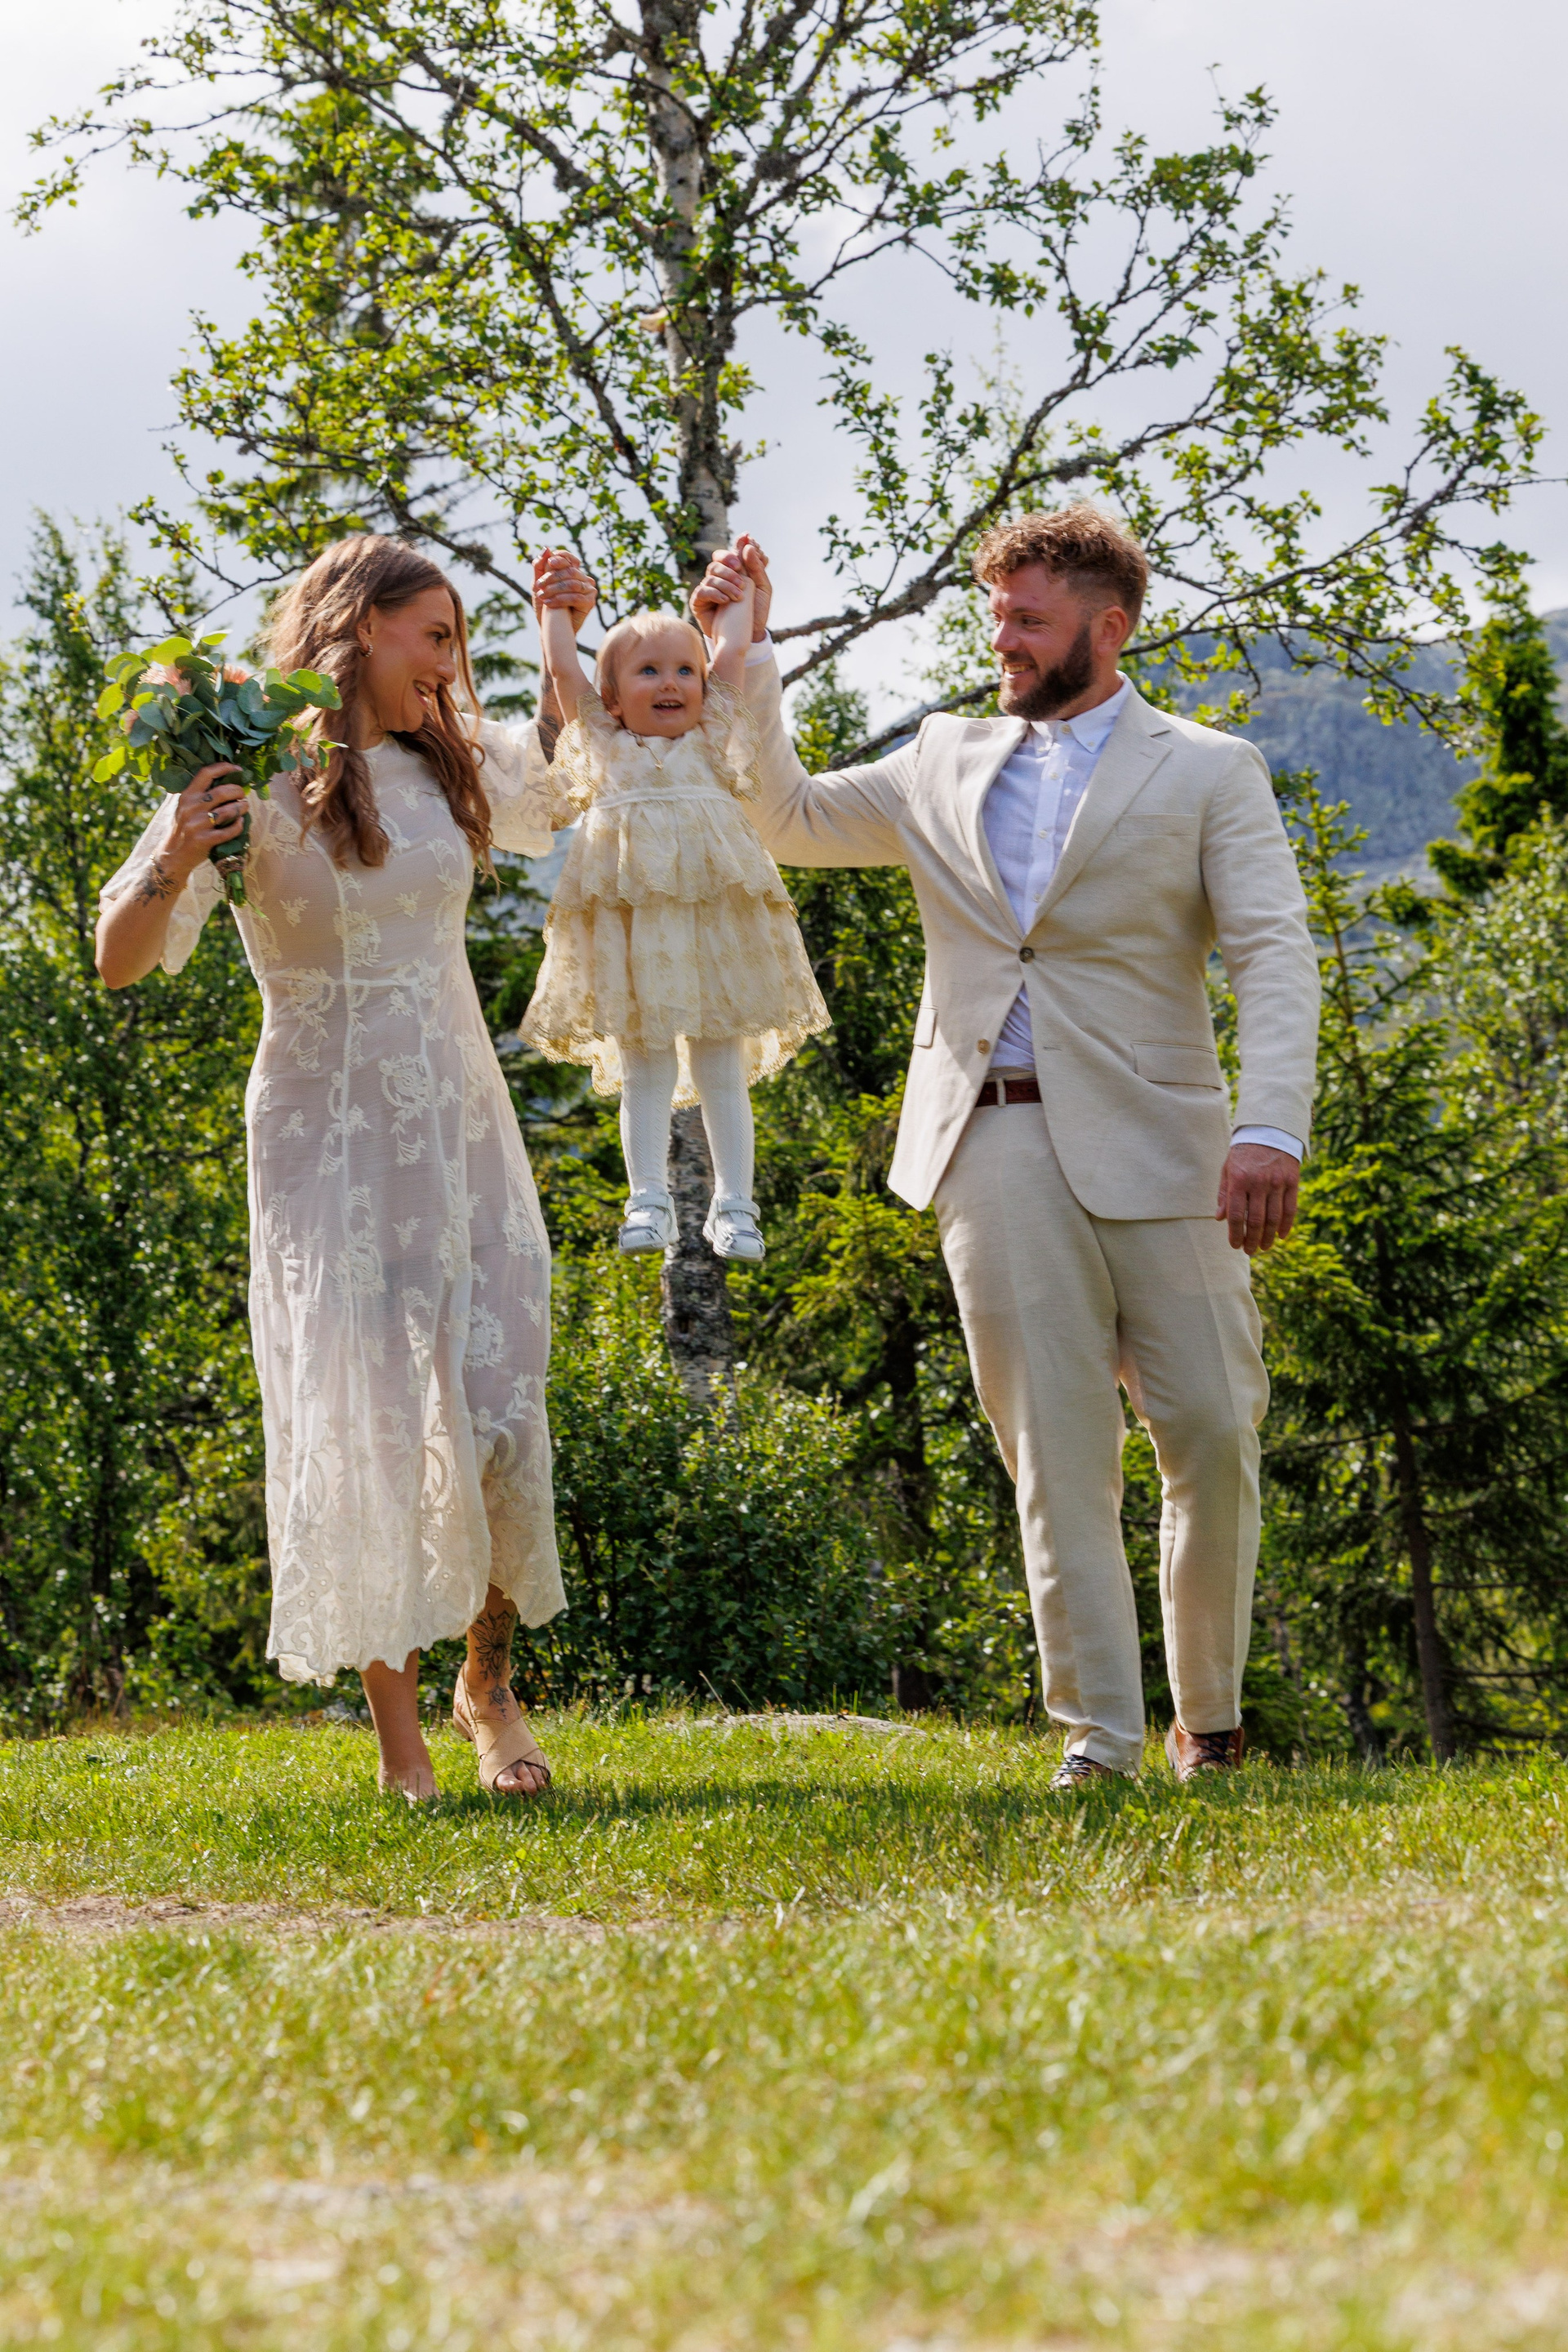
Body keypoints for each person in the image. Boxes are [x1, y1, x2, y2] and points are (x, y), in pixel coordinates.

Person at [695, 509, 1319, 1788]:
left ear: (1109, 628)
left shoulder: (1210, 769)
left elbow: (1272, 953)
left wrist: (1270, 1128)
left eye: (1029, 620)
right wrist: (745, 653)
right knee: (1056, 1453)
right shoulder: (941, 758)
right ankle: (1101, 1739)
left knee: (1212, 1431)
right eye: (998, 617)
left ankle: (1210, 1718)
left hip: (1172, 1145)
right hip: (991, 1140)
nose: (1005, 641)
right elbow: (786, 816)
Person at [95, 535, 591, 1802]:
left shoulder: (449, 760)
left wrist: (565, 634)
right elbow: (119, 957)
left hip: (462, 1123)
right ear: (362, 627)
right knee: (368, 1418)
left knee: (494, 1400)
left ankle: (489, 1682)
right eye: (435, 637)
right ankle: (403, 1748)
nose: (449, 666)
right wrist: (173, 855)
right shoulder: (245, 770)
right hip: (326, 1137)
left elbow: (574, 774)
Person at [520, 552, 828, 1263]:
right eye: (649, 671)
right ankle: (648, 1199)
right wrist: (556, 613)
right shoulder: (602, 745)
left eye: (685, 670)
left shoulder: (714, 736)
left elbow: (730, 655)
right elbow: (564, 670)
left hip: (714, 923)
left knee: (722, 1060)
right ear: (612, 698)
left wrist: (739, 592)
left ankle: (736, 1204)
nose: (672, 683)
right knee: (645, 1061)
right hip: (633, 929)